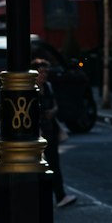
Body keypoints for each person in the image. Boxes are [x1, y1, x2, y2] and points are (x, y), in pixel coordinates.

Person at [34, 58, 75, 209]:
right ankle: (40, 197)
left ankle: (60, 196)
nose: (44, 75)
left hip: (50, 130)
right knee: (37, 166)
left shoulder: (49, 87)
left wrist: (53, 111)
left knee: (54, 164)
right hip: (36, 133)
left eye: (46, 72)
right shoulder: (31, 89)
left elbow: (55, 104)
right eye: (41, 72)